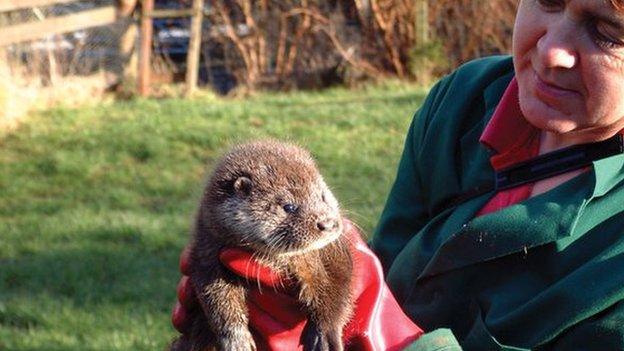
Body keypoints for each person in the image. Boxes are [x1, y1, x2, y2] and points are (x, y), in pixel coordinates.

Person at [172, 0, 624, 349]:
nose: (551, 52)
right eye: (547, 0)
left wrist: (377, 328)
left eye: (608, 33)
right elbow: (390, 262)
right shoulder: (461, 102)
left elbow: (376, 303)